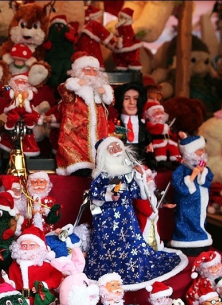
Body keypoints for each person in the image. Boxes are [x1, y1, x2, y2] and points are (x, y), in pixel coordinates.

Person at [84, 136, 186, 290]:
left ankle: (131, 267)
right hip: (106, 218)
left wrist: (139, 178)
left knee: (130, 244)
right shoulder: (101, 176)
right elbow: (94, 194)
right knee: (107, 245)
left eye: (118, 147)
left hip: (126, 216)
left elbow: (139, 194)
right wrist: (109, 195)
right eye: (112, 149)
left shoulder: (126, 174)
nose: (117, 151)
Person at [55, 52, 114, 175]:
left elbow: (111, 101)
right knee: (77, 153)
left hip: (98, 131)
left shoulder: (99, 90)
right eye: (87, 70)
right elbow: (63, 90)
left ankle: (96, 164)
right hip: (76, 132)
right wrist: (76, 84)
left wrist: (105, 91)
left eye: (94, 71)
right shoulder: (73, 89)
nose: (91, 74)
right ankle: (79, 165)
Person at [6, 226, 63, 305]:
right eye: (24, 245)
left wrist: (45, 285)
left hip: (40, 304)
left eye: (32, 245)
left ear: (40, 247)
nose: (27, 248)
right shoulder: (14, 266)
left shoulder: (45, 265)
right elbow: (9, 283)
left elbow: (57, 276)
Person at [169, 134, 213, 252]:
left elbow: (208, 179)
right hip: (187, 203)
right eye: (200, 150)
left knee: (200, 219)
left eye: (203, 149)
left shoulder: (201, 165)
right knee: (187, 220)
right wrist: (193, 175)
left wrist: (203, 172)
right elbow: (180, 187)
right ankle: (186, 239)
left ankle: (200, 236)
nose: (203, 152)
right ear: (191, 152)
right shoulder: (182, 169)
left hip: (200, 202)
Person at [113, 83, 152, 164]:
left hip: (141, 162)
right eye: (126, 99)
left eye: (136, 98)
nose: (132, 102)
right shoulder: (114, 124)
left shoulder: (144, 125)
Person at [143, 101, 181, 167]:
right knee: (161, 150)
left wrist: (177, 136)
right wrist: (164, 127)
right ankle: (161, 163)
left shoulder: (166, 124)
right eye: (156, 113)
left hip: (168, 141)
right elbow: (153, 129)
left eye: (161, 113)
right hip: (158, 142)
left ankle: (176, 160)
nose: (160, 116)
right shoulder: (150, 125)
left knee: (174, 148)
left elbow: (171, 135)